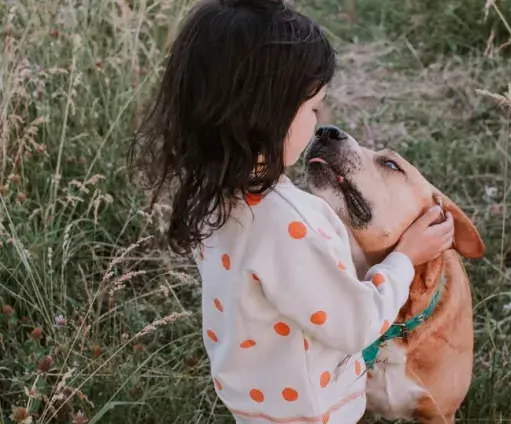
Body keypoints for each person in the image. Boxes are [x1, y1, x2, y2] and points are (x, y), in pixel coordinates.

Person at [128, 0, 455, 422]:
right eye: (313, 107)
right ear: (269, 114)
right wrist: (405, 259)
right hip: (311, 412)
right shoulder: (287, 224)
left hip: (255, 405)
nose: (319, 120)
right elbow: (356, 323)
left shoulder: (211, 195)